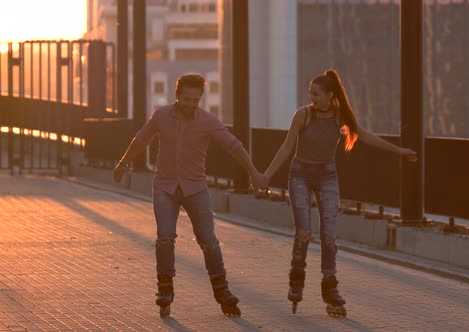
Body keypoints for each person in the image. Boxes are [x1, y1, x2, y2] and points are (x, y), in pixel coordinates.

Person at [261, 69, 417, 317]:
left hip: (327, 176)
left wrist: (399, 151)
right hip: (300, 175)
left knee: (329, 236)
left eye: (316, 93)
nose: (312, 97)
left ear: (330, 95)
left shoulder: (340, 116)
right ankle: (296, 277)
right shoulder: (303, 115)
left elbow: (365, 137)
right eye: (310, 93)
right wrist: (267, 175)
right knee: (303, 232)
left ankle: (330, 288)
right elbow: (287, 146)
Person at [113, 73, 265, 318]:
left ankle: (222, 291)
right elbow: (141, 139)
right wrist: (122, 163)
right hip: (165, 187)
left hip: (196, 188)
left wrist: (254, 173)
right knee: (165, 237)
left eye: (196, 100)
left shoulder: (208, 121)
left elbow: (233, 146)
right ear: (177, 95)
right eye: (186, 99)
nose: (191, 105)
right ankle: (165, 290)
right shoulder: (161, 115)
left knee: (208, 240)